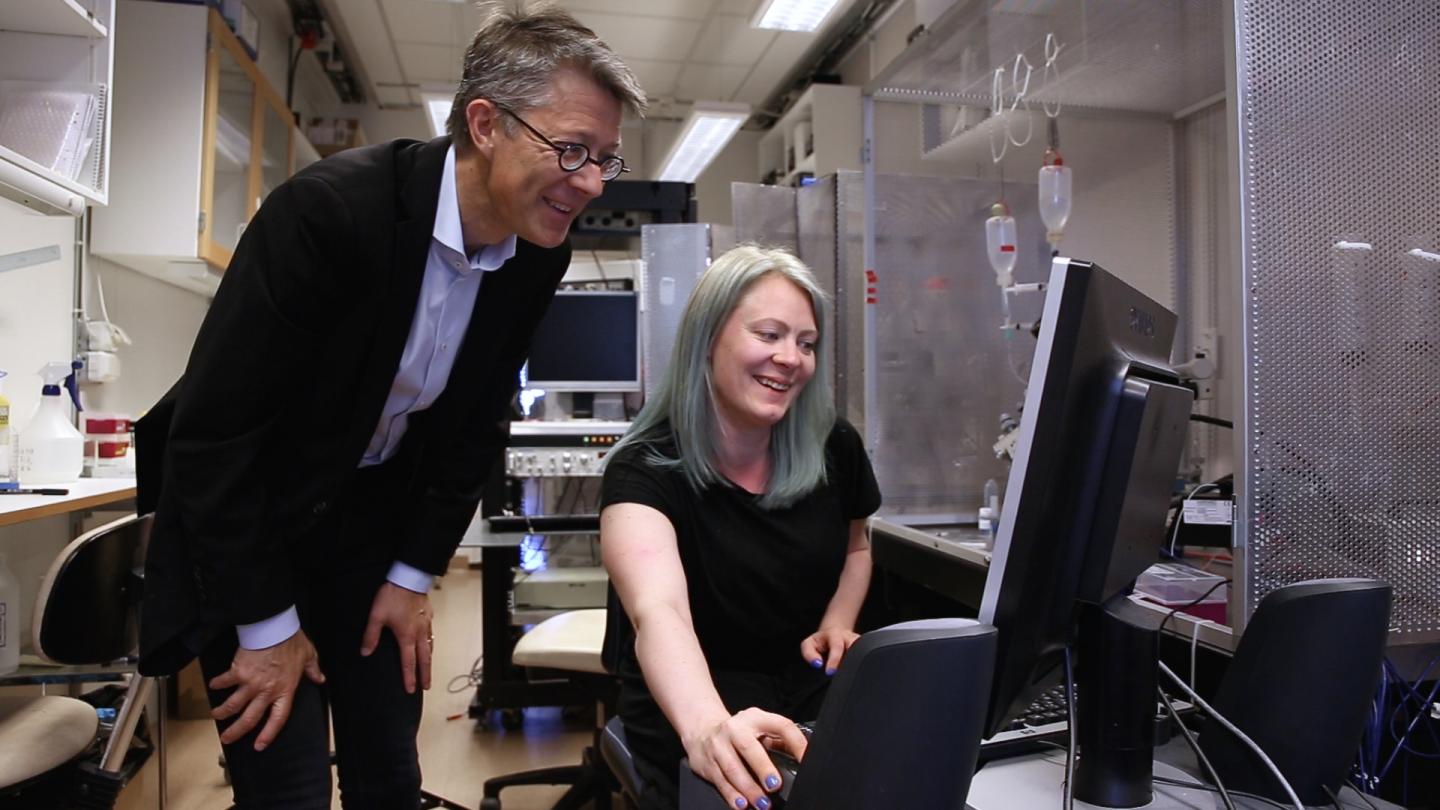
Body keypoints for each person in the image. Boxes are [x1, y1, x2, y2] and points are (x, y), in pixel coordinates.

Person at [133, 5, 645, 807]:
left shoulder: (535, 252)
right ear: (485, 123)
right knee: (287, 785)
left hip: (368, 527)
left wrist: (412, 575)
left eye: (605, 160)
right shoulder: (331, 215)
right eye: (571, 149)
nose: (588, 182)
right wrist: (267, 631)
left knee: (390, 774)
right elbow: (213, 439)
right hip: (252, 526)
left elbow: (475, 421)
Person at [600, 245, 882, 810]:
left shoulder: (834, 446)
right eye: (769, 334)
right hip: (694, 697)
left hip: (804, 690)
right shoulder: (645, 469)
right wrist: (708, 728)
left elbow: (856, 548)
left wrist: (836, 622)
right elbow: (660, 613)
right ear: (708, 339)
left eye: (806, 344)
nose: (791, 358)